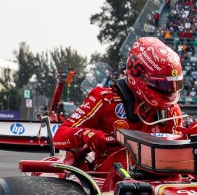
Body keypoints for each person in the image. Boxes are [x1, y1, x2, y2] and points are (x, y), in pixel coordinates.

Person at [53, 37, 186, 169]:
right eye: (161, 84)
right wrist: (86, 134)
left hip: (159, 178)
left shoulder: (172, 111)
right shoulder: (104, 99)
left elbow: (178, 158)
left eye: (173, 85)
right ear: (137, 73)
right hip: (109, 179)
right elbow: (60, 135)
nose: (169, 90)